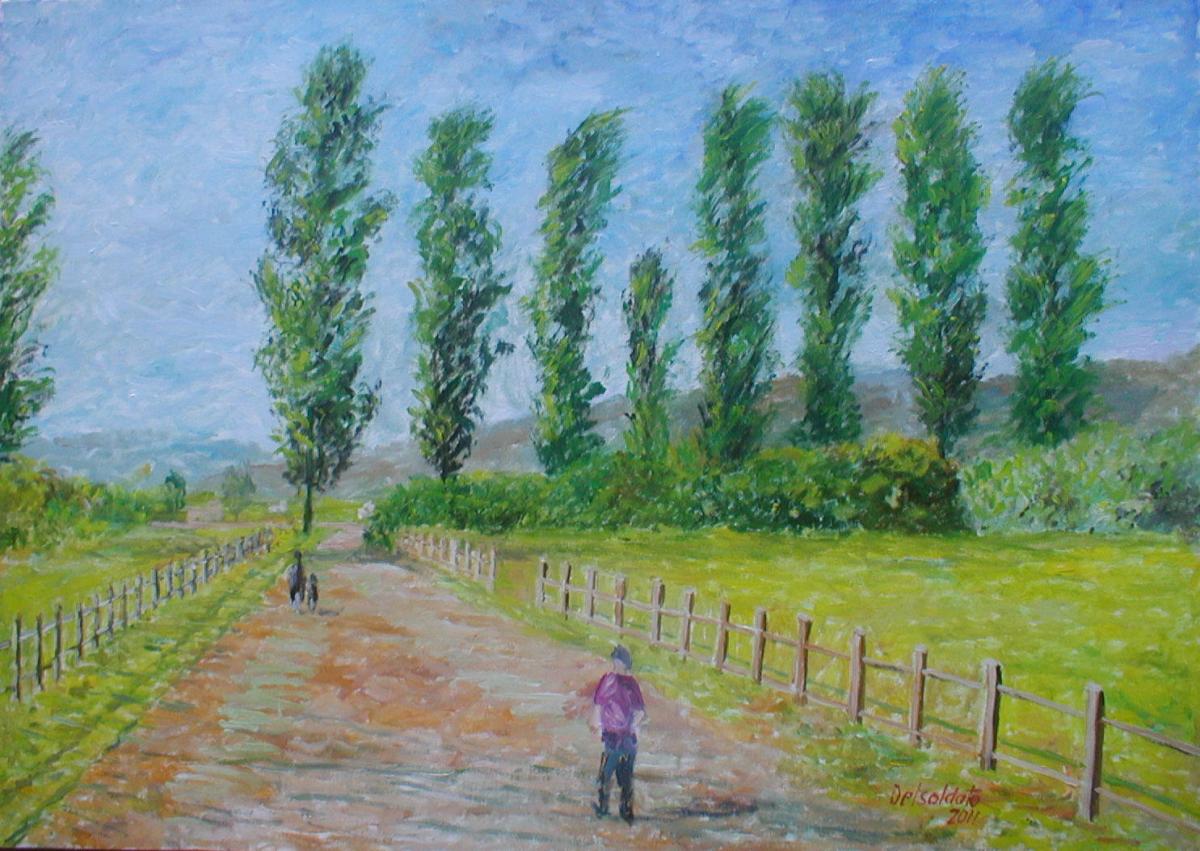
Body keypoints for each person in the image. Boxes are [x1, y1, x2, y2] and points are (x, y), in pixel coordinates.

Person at [590, 644, 646, 823]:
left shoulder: (629, 684)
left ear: (625, 664)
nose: (616, 666)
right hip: (613, 735)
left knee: (623, 776)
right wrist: (596, 723)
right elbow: (598, 704)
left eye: (619, 662)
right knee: (608, 774)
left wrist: (632, 726)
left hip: (624, 737)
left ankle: (624, 810)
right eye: (615, 662)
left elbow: (640, 711)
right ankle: (605, 807)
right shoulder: (609, 680)